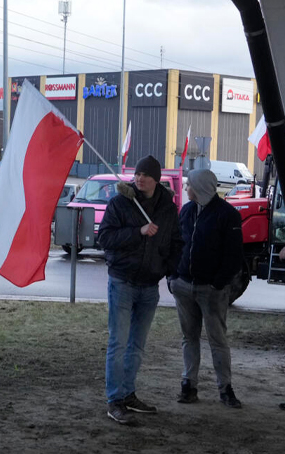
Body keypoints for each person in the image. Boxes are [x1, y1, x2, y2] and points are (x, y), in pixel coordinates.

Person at [98, 155, 183, 425]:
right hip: (122, 281)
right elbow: (105, 238)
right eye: (137, 174)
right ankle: (114, 401)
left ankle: (128, 394)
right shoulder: (120, 203)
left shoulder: (168, 209)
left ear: (157, 179)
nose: (139, 178)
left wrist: (169, 271)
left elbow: (176, 242)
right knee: (118, 343)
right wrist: (139, 231)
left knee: (137, 345)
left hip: (150, 286)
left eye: (145, 175)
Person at [171, 169, 244, 408]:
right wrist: (173, 277)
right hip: (183, 286)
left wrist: (217, 283)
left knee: (217, 340)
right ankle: (188, 386)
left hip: (212, 291)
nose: (185, 188)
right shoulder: (187, 210)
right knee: (188, 338)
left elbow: (233, 256)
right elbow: (177, 245)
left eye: (189, 184)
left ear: (200, 187)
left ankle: (225, 389)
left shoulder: (228, 215)